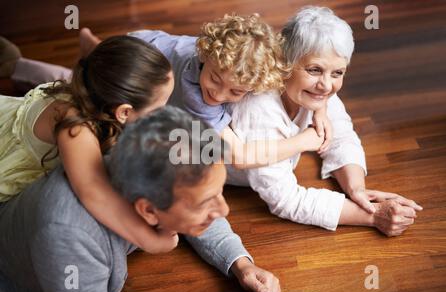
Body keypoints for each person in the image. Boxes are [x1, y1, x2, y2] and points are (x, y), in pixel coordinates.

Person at [0, 106, 280, 292]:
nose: (224, 210)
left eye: (219, 192)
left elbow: (196, 203)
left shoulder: (144, 165)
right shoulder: (66, 238)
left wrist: (241, 264)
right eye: (207, 202)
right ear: (147, 210)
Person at [1, 14, 333, 169]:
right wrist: (303, 141)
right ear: (205, 56)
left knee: (93, 63)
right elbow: (240, 156)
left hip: (141, 44)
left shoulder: (226, 62)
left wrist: (320, 106)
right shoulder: (194, 94)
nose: (217, 94)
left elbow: (293, 80)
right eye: (215, 79)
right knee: (82, 90)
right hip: (138, 61)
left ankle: (94, 47)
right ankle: (28, 66)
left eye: (237, 91)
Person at [225, 6, 423, 236]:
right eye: (314, 70)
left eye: (337, 73)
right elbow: (287, 200)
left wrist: (357, 189)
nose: (327, 86)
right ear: (284, 62)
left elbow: (340, 136)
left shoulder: (315, 92)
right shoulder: (258, 108)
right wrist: (373, 215)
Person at [0, 35, 179, 254]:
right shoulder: (75, 128)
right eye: (158, 109)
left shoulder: (95, 85)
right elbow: (94, 191)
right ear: (123, 112)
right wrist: (150, 241)